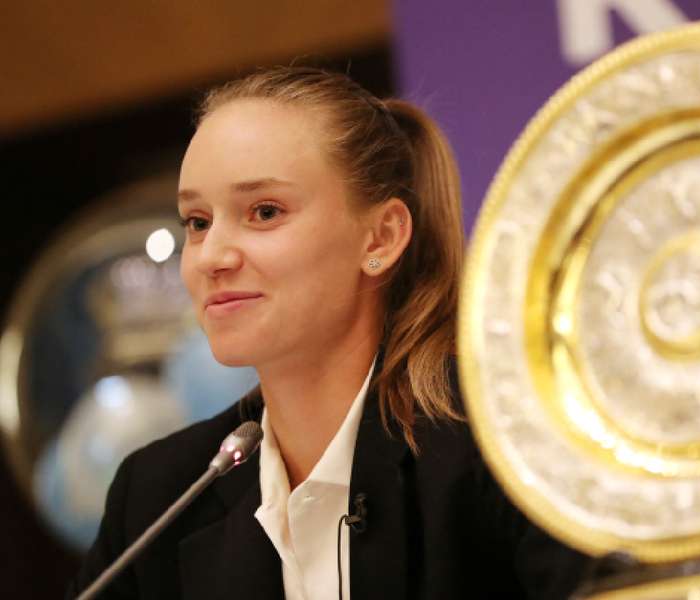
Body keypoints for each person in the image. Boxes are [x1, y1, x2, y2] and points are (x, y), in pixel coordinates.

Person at [69, 66, 588, 599]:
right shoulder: (157, 498)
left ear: (381, 238)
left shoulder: (507, 444)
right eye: (197, 222)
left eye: (264, 212)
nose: (212, 258)